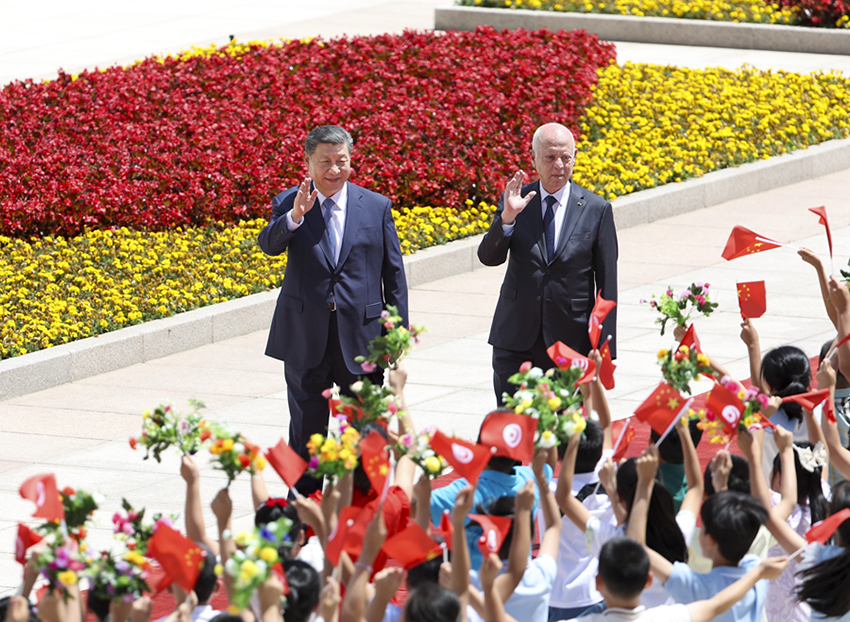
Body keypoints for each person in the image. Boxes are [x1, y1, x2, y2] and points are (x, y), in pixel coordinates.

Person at [257, 125, 409, 495]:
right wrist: (294, 217)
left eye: (341, 161)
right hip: (305, 337)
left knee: (365, 431)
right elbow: (268, 245)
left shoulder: (375, 206)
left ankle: (365, 510)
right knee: (307, 431)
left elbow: (394, 273)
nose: (333, 170)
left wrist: (397, 331)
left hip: (362, 335)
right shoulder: (289, 202)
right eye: (324, 161)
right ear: (307, 162)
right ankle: (305, 513)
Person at [477, 122, 618, 404]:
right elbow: (488, 257)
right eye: (550, 157)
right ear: (533, 159)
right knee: (515, 432)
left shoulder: (596, 209)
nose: (559, 166)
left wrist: (605, 349)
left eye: (566, 158)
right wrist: (506, 220)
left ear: (575, 157)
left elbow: (607, 285)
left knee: (569, 436)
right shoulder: (517, 202)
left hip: (571, 341)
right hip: (516, 340)